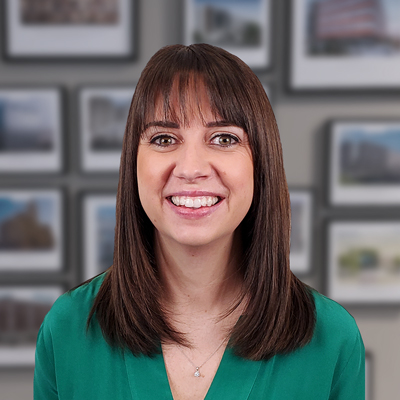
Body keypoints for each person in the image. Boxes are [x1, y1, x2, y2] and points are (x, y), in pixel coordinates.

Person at [34, 44, 365, 400]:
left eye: (224, 138)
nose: (191, 168)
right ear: (133, 162)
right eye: (164, 138)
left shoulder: (332, 340)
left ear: (261, 163)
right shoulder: (67, 330)